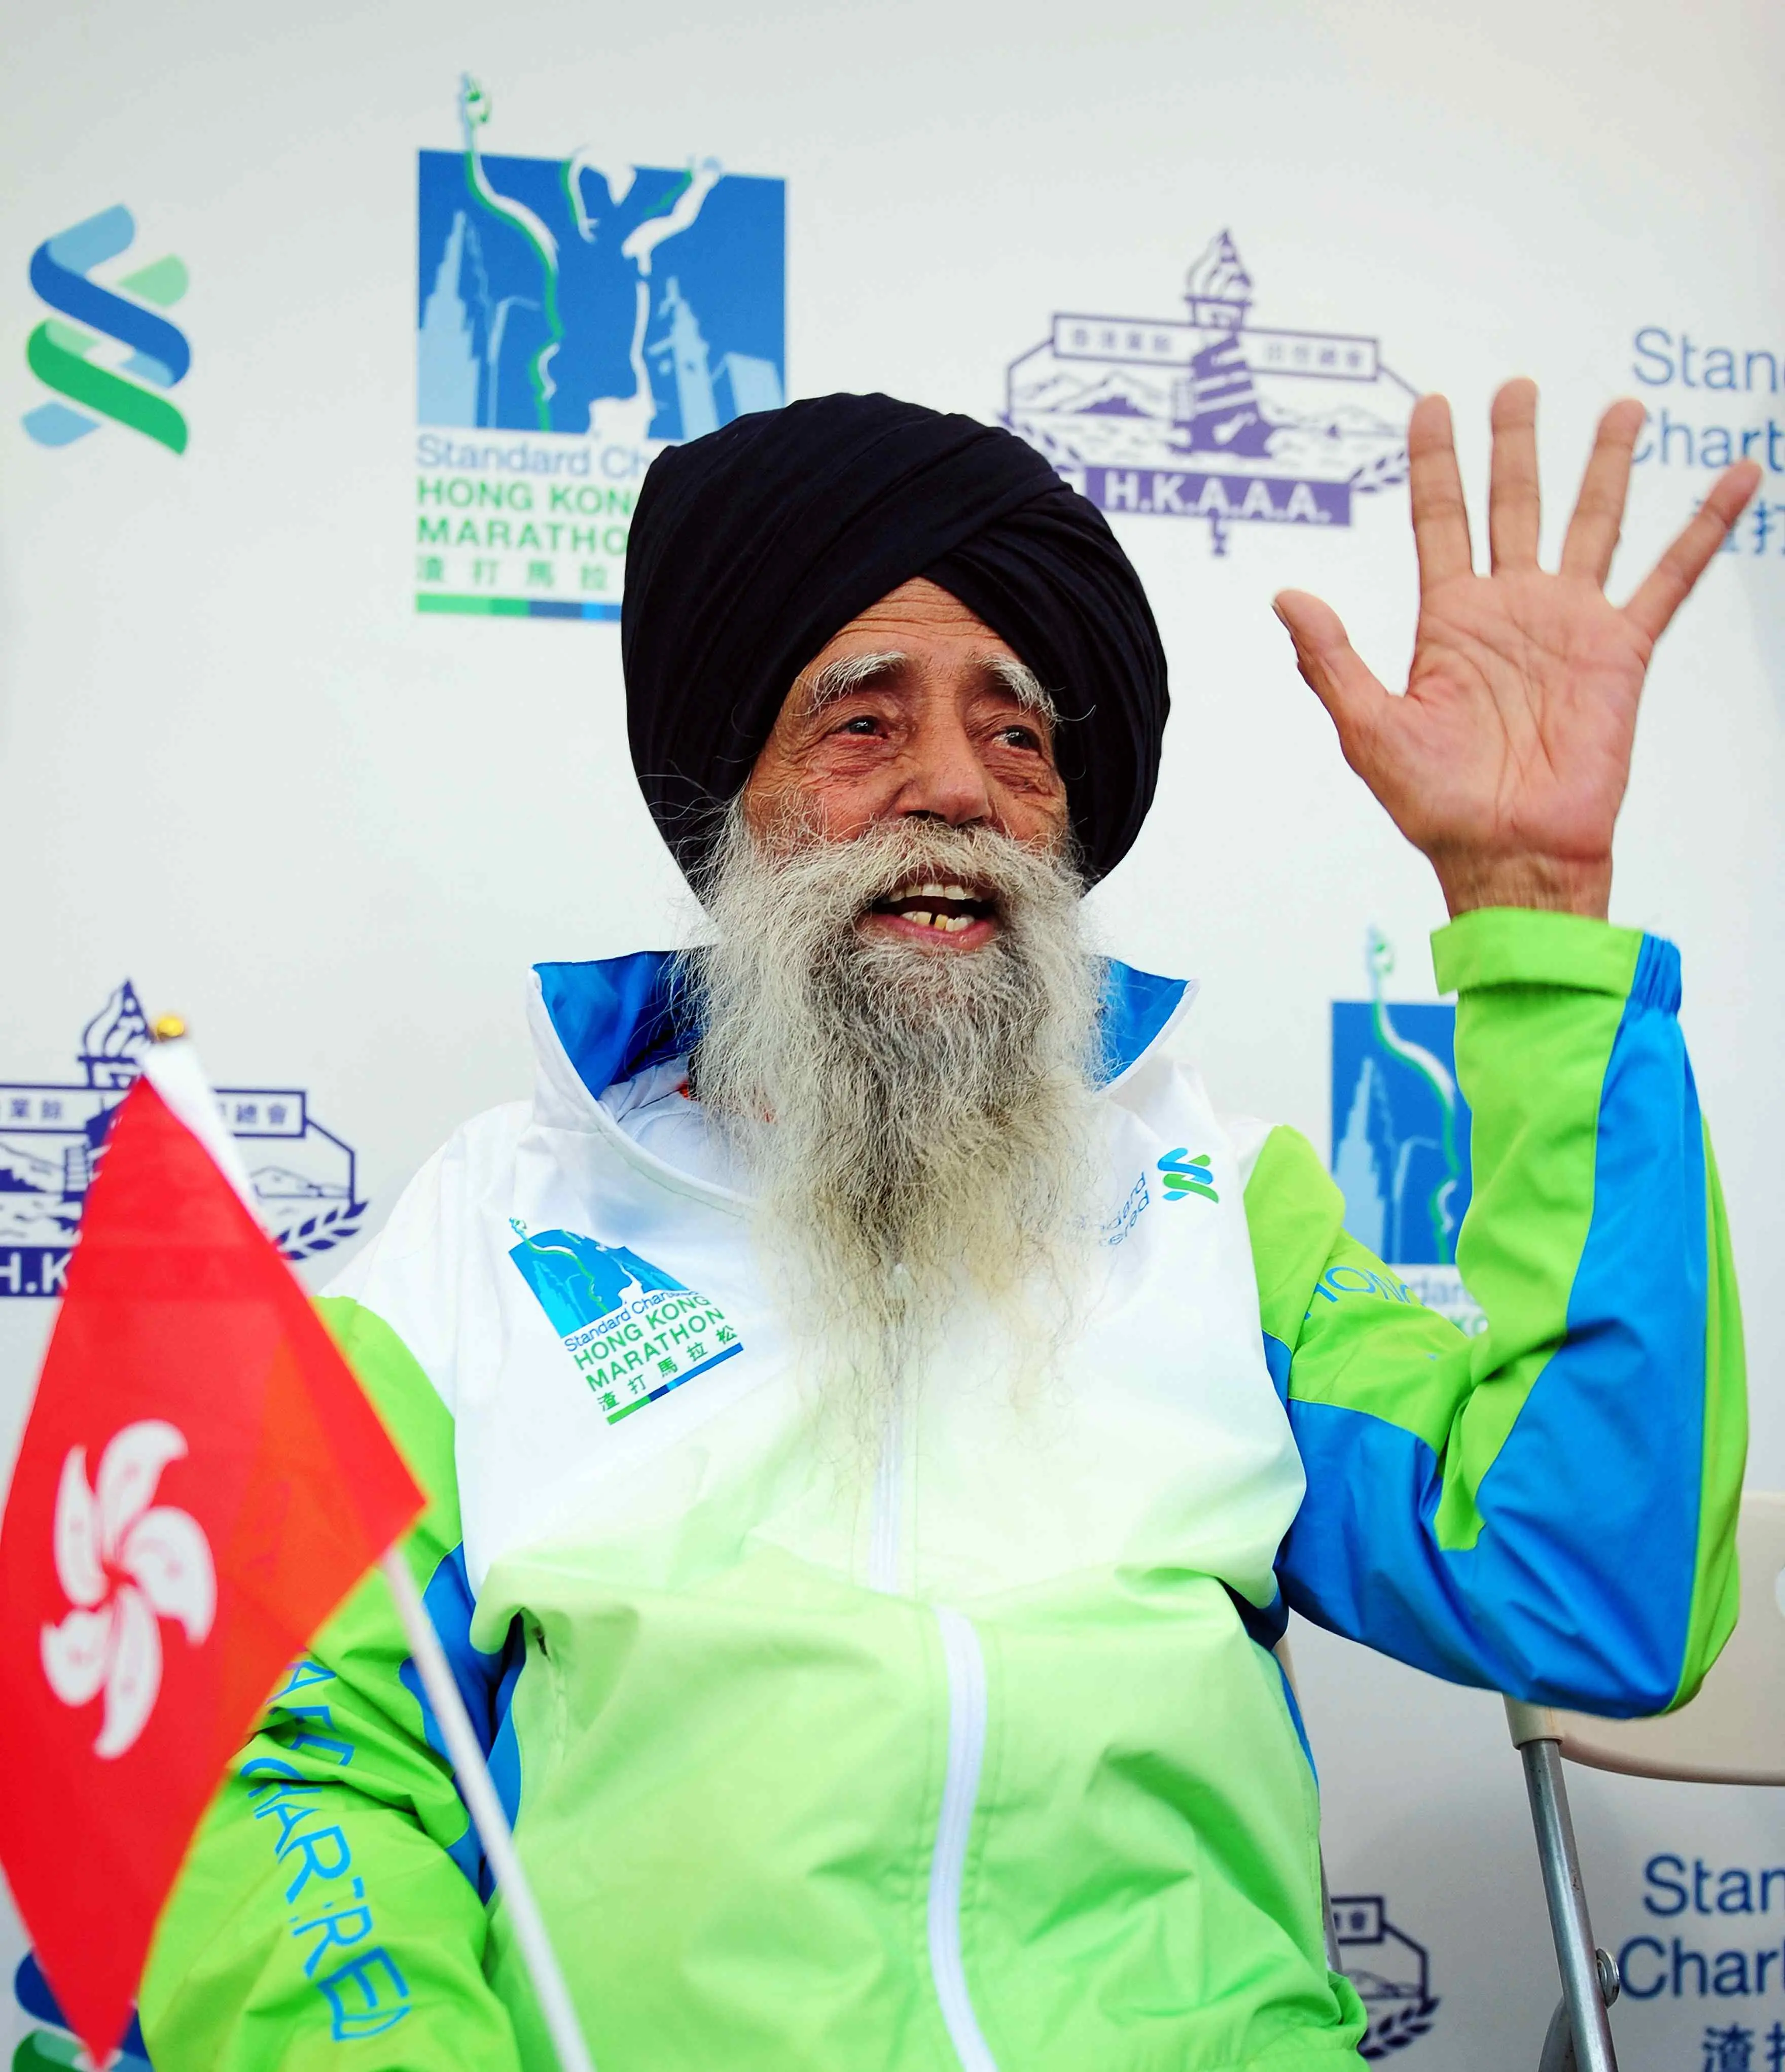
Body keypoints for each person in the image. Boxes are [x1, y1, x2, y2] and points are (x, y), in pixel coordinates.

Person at [141, 386, 1754, 2071]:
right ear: (728, 802)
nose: (954, 788)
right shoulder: (489, 1234)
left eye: (1019, 734)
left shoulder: (1217, 1205)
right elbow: (290, 1766)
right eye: (859, 721)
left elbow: (1597, 1591)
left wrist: (1532, 905)